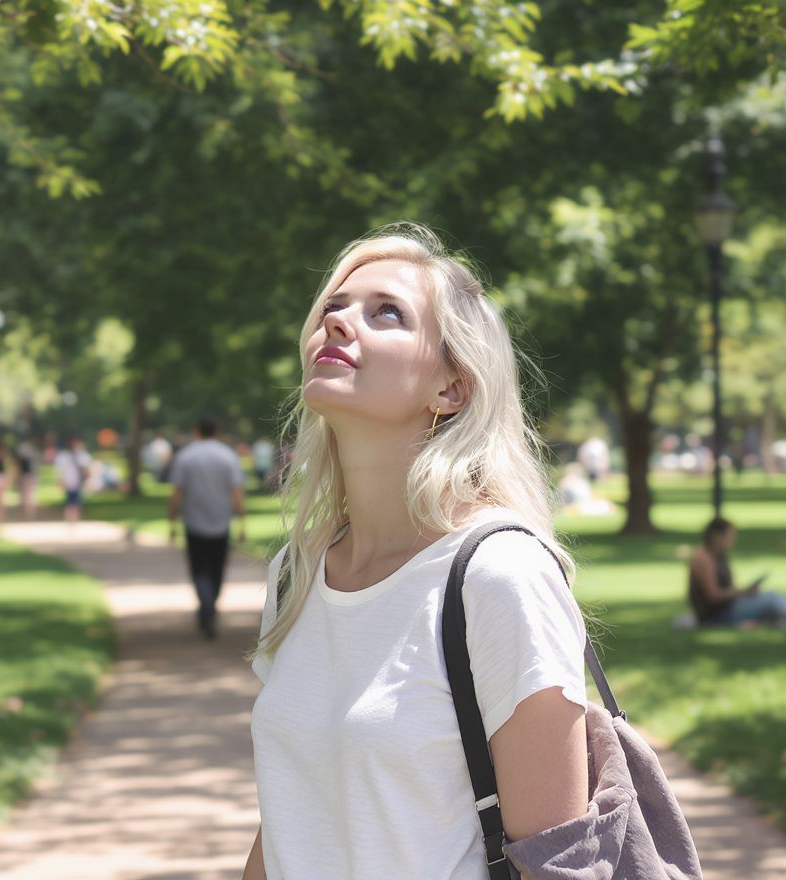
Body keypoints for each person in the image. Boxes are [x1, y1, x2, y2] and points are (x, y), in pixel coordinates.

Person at [242, 224, 590, 880]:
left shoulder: (500, 576)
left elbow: (561, 863)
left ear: (450, 388)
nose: (339, 322)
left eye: (387, 313)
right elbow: (292, 816)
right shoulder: (296, 575)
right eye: (333, 307)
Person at [168, 415, 247, 640]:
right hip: (221, 521)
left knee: (199, 568)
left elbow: (176, 493)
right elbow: (236, 492)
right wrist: (242, 521)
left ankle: (206, 604)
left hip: (194, 522)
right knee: (217, 568)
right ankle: (210, 604)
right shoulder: (228, 456)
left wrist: (172, 521)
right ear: (217, 431)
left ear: (196, 431)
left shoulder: (185, 456)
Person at [688, 517, 786, 628]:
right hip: (716, 615)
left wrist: (744, 592)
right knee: (772, 598)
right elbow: (713, 595)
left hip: (728, 607)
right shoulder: (703, 557)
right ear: (716, 536)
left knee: (774, 607)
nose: (732, 541)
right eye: (730, 536)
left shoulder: (720, 556)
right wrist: (741, 592)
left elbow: (727, 588)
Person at [55, 437, 90, 522]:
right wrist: (61, 481)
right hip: (70, 482)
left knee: (75, 502)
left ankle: (73, 519)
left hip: (77, 482)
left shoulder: (81, 455)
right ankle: (71, 519)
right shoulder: (64, 456)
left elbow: (86, 470)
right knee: (71, 502)